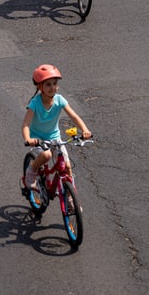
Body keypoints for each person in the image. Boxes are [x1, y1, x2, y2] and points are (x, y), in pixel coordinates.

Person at [21, 64, 92, 205]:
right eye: (48, 84)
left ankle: (71, 199)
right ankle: (31, 172)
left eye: (55, 83)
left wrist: (85, 130)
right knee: (46, 155)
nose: (52, 87)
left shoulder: (59, 100)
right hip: (37, 139)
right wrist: (28, 139)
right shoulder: (35, 103)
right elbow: (26, 124)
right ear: (40, 87)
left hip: (54, 138)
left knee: (67, 167)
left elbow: (74, 117)